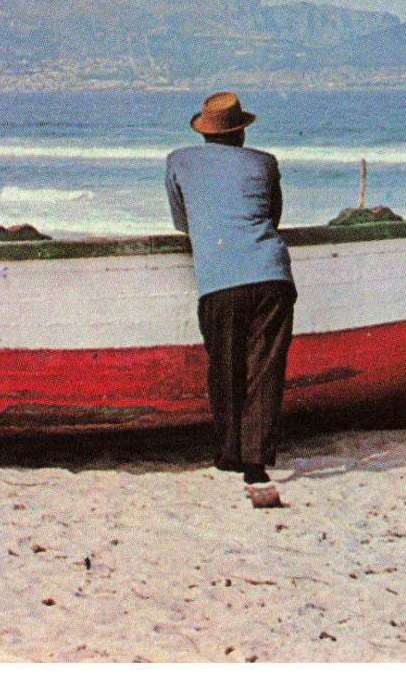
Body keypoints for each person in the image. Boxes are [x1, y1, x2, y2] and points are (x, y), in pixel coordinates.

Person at [164, 91, 296, 509]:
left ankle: (228, 455)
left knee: (224, 367)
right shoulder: (265, 162)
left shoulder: (178, 161)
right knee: (264, 370)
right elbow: (273, 217)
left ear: (205, 133)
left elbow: (181, 220)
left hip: (219, 278)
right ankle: (256, 463)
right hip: (270, 273)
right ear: (241, 133)